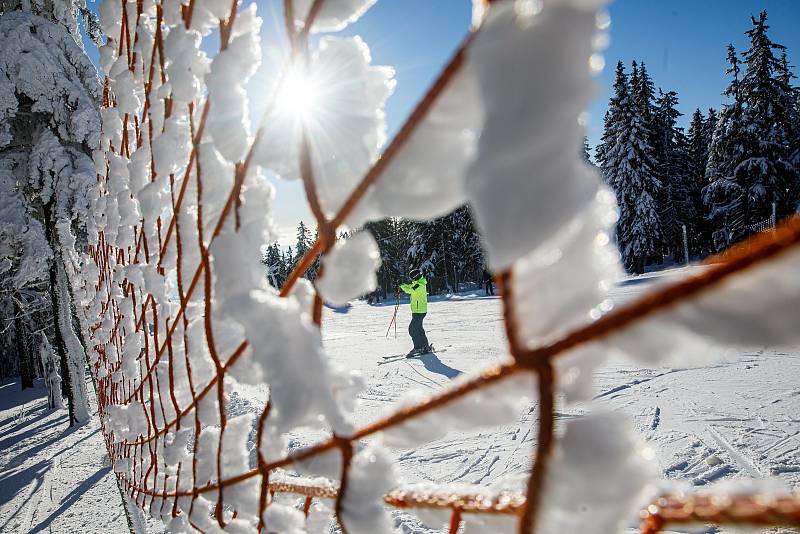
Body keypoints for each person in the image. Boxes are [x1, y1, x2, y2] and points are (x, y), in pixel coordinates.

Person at [399, 269, 431, 357]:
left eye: (412, 279)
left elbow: (410, 290)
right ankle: (425, 346)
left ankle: (418, 347)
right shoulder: (417, 283)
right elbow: (410, 287)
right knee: (419, 329)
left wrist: (402, 287)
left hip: (419, 311)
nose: (411, 280)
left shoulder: (419, 285)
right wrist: (402, 285)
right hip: (418, 310)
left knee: (412, 329)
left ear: (416, 277)